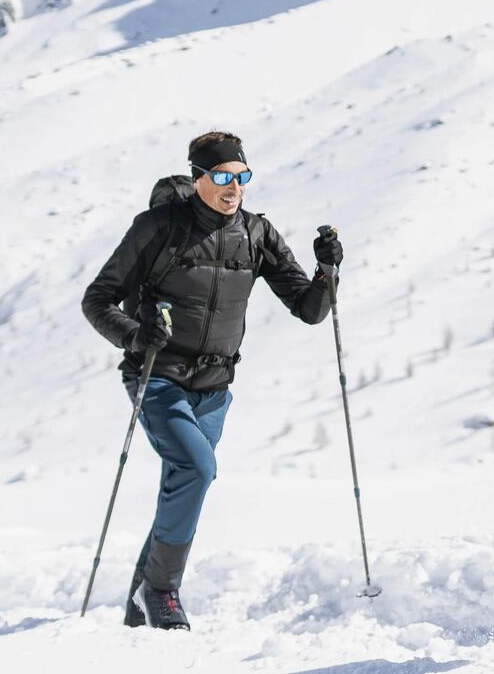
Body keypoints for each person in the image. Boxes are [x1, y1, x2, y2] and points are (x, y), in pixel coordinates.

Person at [81, 130, 344, 630]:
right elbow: (97, 299)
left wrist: (327, 269)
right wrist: (137, 336)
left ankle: (141, 601)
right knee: (198, 470)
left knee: (183, 484)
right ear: (199, 177)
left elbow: (310, 310)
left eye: (241, 177)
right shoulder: (158, 227)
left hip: (215, 388)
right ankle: (162, 591)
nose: (233, 187)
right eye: (222, 177)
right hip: (156, 375)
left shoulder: (257, 233)